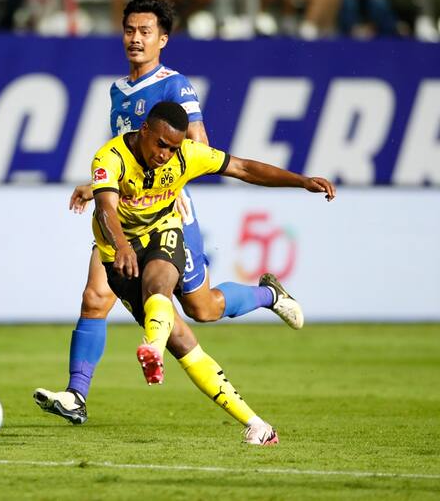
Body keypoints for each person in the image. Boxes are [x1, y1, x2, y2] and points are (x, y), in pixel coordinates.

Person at [34, 0, 305, 444]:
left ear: (162, 39)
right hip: (127, 211)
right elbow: (124, 155)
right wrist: (95, 184)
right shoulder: (118, 90)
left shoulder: (174, 85)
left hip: (169, 210)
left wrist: (173, 188)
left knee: (203, 309)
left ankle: (266, 293)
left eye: (145, 32)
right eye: (129, 30)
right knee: (94, 297)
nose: (135, 38)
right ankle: (76, 396)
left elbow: (197, 145)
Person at [69, 101, 333, 444]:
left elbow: (243, 168)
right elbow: (105, 209)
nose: (166, 154)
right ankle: (258, 425)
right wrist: (121, 246)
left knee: (159, 286)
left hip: (164, 232)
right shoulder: (109, 157)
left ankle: (152, 347)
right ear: (144, 130)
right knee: (187, 339)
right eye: (161, 145)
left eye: (173, 148)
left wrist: (301, 181)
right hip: (118, 252)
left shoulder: (186, 155)